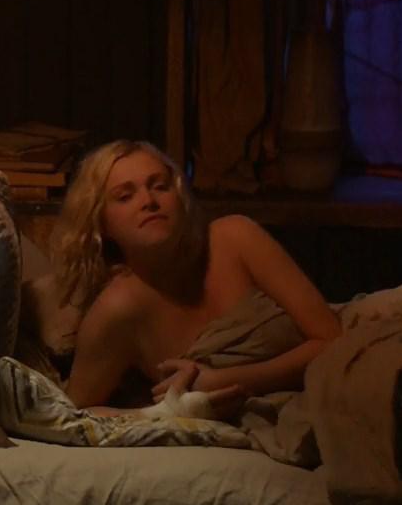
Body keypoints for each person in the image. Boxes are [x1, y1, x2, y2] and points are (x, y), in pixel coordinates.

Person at [53, 140, 341, 413]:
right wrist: (166, 413)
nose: (149, 201)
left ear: (179, 196)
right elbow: (75, 415)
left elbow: (332, 340)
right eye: (125, 196)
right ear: (101, 224)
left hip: (335, 378)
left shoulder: (235, 238)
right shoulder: (118, 308)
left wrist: (224, 380)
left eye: (160, 186)